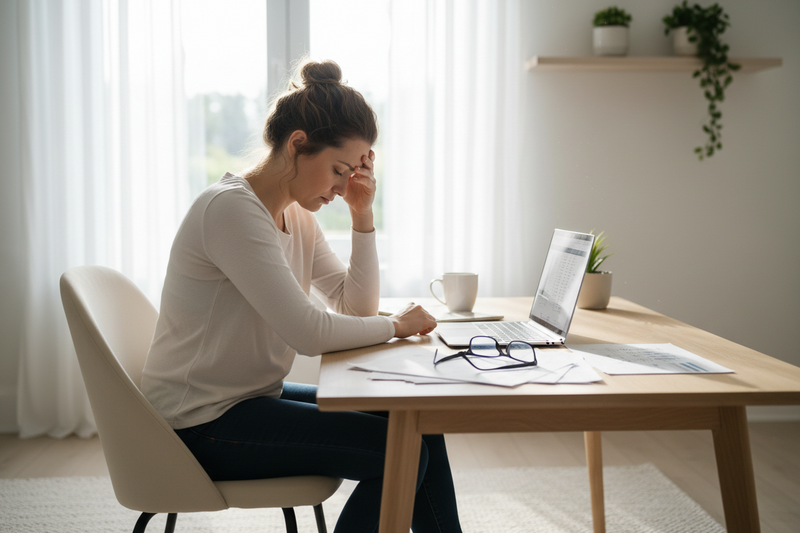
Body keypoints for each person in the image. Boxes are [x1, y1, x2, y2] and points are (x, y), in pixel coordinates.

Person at [141, 59, 463, 533]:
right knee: (402, 450)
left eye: (354, 171)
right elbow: (309, 332)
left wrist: (362, 214)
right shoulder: (231, 210)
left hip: (250, 399)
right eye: (339, 169)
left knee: (417, 423)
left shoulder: (298, 219)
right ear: (297, 144)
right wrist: (398, 326)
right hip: (200, 424)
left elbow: (355, 310)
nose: (344, 184)